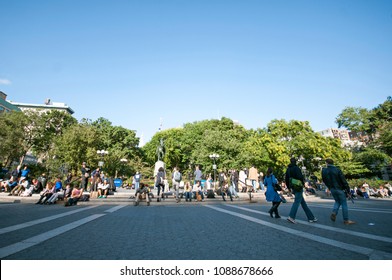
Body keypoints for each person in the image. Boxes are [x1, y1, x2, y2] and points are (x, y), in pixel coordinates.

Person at [322, 158, 356, 225]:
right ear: (332, 163)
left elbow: (324, 180)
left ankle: (334, 212)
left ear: (326, 163)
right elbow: (343, 181)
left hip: (332, 188)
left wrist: (329, 187)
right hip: (339, 189)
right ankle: (346, 220)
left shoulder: (324, 171)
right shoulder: (337, 170)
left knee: (337, 201)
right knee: (344, 203)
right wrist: (348, 190)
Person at [285, 158, 317, 224]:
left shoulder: (288, 169)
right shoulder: (297, 168)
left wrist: (289, 187)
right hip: (298, 186)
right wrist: (303, 184)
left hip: (293, 186)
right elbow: (300, 177)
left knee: (303, 203)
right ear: (295, 162)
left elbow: (286, 179)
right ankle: (291, 216)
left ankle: (311, 217)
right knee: (297, 202)